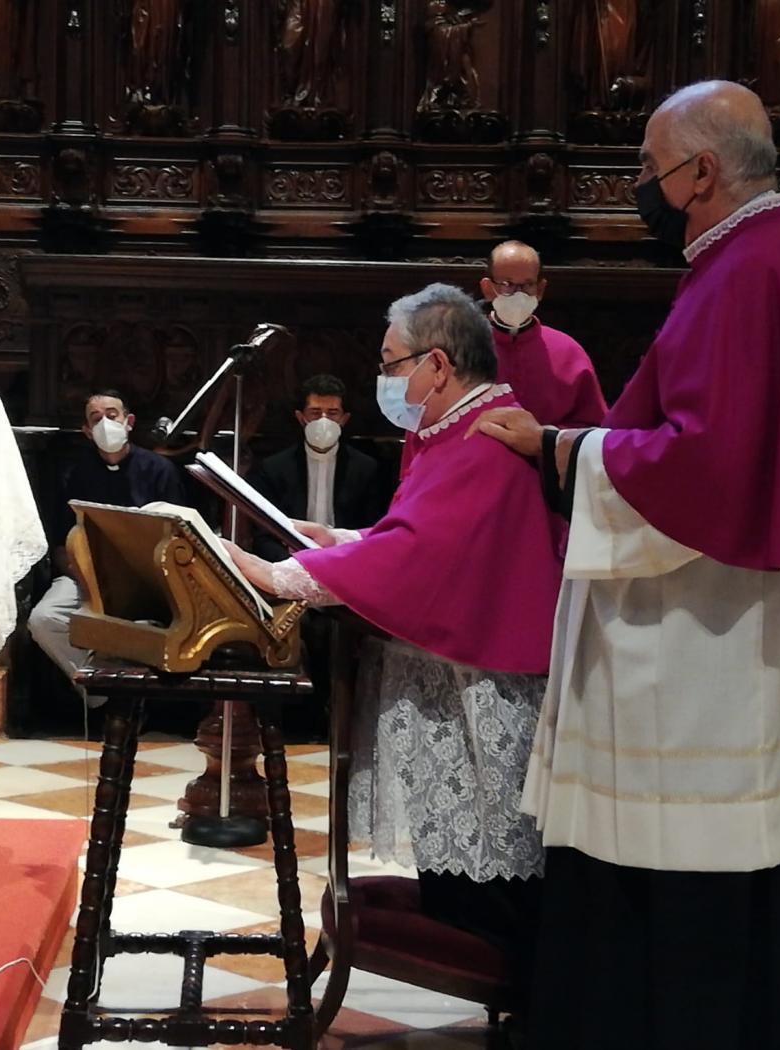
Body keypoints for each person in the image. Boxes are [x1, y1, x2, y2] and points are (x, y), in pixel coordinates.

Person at [472, 81, 780, 1049]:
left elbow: (702, 463)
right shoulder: (775, 259)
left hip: (710, 635)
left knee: (691, 854)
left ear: (699, 172)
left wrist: (560, 452)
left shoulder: (750, 270)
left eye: (645, 170)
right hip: (751, 621)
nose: (639, 188)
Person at [225, 283, 565, 994]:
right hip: (456, 672)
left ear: (436, 366)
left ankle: (523, 995)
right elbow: (413, 536)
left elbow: (424, 558)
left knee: (494, 876)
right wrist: (343, 540)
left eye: (390, 362)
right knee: (458, 865)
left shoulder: (486, 432)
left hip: (486, 683)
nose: (383, 380)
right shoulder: (450, 429)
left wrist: (284, 575)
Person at [27, 389, 186, 704]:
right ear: (87, 431)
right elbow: (61, 542)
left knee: (143, 628)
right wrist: (86, 580)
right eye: (95, 418)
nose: (104, 422)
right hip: (84, 576)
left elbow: (180, 536)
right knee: (42, 619)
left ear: (128, 422)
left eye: (111, 415)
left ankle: (125, 691)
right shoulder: (73, 472)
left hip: (147, 580)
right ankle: (102, 691)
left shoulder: (159, 470)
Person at [399, 239, 608, 477]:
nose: (517, 294)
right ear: (488, 288)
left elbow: (594, 432)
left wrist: (542, 437)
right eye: (507, 285)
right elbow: (422, 421)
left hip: (544, 484)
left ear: (540, 289)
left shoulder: (569, 352)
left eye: (527, 286)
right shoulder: (455, 348)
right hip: (466, 478)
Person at [247, 374, 387, 563]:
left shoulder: (366, 469)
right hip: (291, 562)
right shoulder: (273, 469)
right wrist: (291, 563)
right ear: (301, 417)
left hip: (347, 562)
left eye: (332, 413)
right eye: (315, 412)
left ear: (344, 419)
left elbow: (374, 530)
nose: (324, 420)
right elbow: (264, 535)